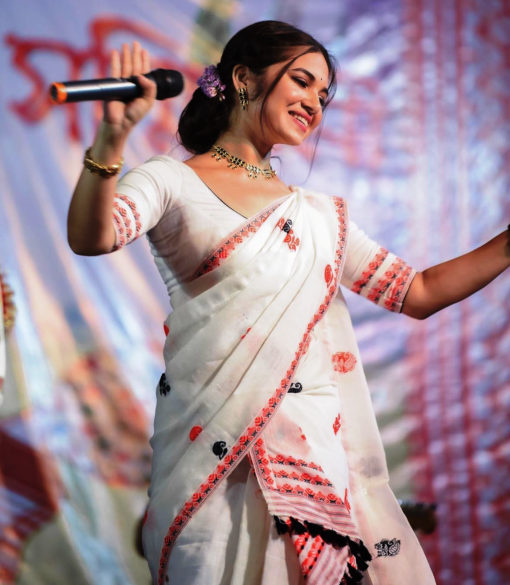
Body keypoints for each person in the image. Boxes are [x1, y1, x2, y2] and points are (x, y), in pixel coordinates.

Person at [67, 20, 510, 585]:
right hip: (212, 470)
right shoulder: (170, 181)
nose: (314, 103)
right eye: (302, 82)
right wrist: (110, 142)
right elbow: (93, 235)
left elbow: (415, 292)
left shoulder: (321, 216)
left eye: (323, 95)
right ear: (245, 77)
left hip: (312, 468)